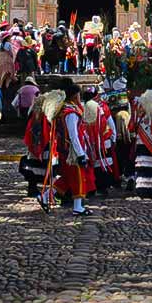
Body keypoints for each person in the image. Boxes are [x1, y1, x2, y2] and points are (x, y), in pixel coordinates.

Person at [54, 81, 93, 216]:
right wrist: (81, 153)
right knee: (77, 178)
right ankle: (77, 207)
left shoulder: (64, 110)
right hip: (72, 151)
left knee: (67, 178)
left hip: (66, 149)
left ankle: (45, 196)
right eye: (78, 96)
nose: (79, 99)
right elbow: (73, 135)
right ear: (73, 97)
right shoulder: (70, 113)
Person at [19, 89, 65, 199]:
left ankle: (34, 188)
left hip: (36, 143)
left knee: (35, 166)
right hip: (45, 143)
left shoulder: (35, 113)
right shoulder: (45, 114)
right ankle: (48, 191)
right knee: (46, 167)